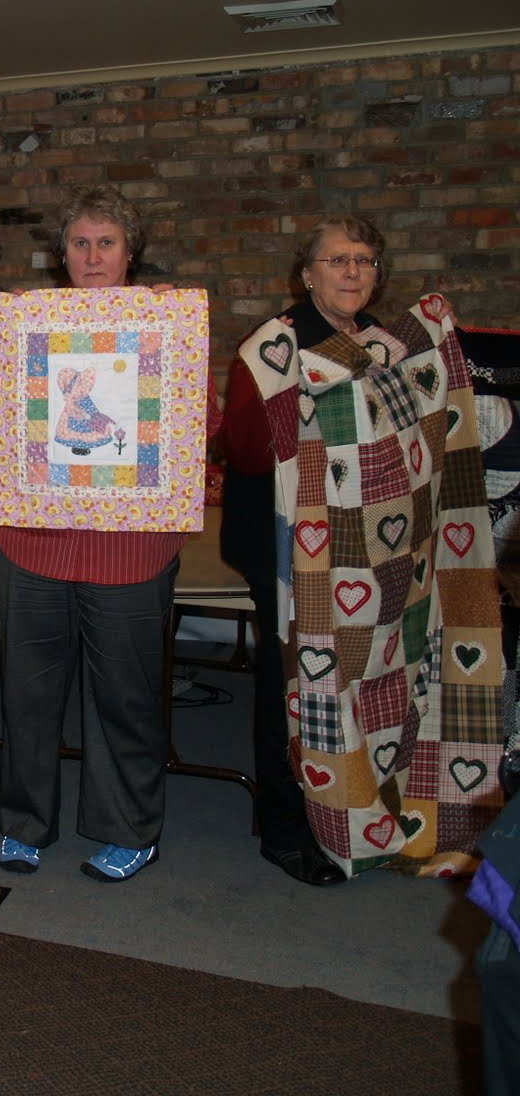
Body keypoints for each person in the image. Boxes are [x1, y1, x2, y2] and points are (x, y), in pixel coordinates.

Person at [0, 185, 221, 883]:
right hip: (30, 540)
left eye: (107, 242)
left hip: (130, 545)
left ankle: (129, 827)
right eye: (80, 243)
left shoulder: (161, 324)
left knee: (126, 697)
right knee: (29, 693)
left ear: (130, 252)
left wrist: (179, 360)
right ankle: (23, 822)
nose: (93, 255)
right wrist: (4, 349)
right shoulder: (36, 324)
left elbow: (208, 424)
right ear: (61, 254)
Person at [217, 215, 389, 886]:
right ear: (307, 274)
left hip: (365, 542)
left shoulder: (382, 345)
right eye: (337, 260)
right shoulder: (274, 347)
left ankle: (356, 805)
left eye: (365, 260)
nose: (352, 272)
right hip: (287, 543)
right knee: (291, 681)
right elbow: (250, 454)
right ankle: (285, 829)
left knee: (358, 673)